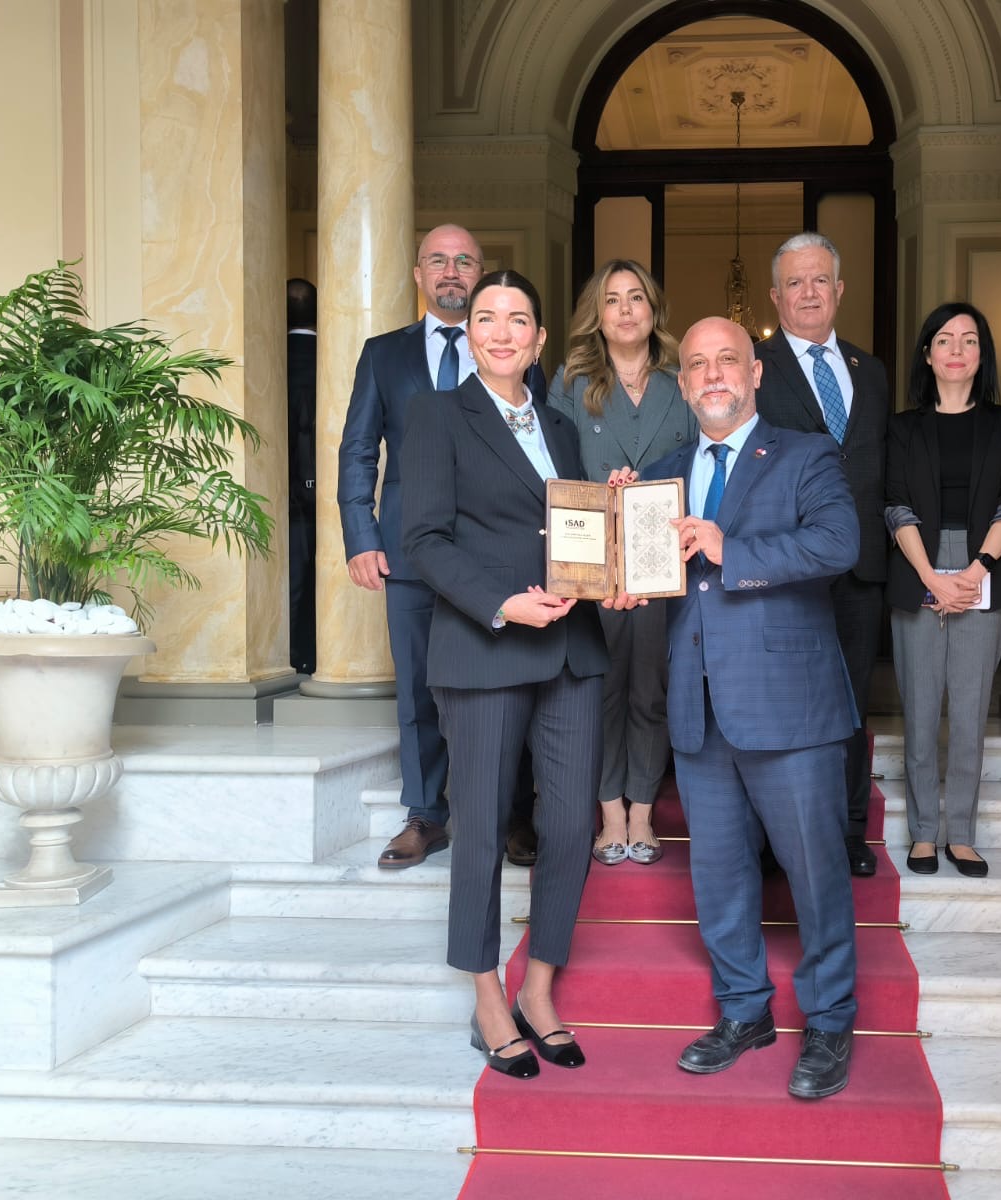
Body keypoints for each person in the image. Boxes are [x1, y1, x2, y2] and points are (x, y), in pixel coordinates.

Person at [638, 316, 861, 1101]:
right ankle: (744, 1010)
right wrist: (618, 563)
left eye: (727, 359)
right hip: (698, 708)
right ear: (681, 383)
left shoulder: (806, 453)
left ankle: (830, 1021)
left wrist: (731, 549)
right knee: (719, 874)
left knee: (815, 873)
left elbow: (838, 544)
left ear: (755, 372)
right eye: (697, 364)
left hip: (790, 707)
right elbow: (651, 577)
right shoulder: (661, 474)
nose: (712, 375)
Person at [400, 270, 608, 1078]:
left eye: (518, 319)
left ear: (540, 338)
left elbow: (575, 532)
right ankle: (488, 998)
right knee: (482, 828)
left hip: (570, 649)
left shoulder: (560, 425)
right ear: (469, 332)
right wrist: (500, 603)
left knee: (571, 826)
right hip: (483, 648)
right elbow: (424, 538)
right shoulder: (436, 415)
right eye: (486, 318)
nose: (500, 331)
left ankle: (540, 988)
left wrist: (617, 538)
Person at [337, 225, 545, 871]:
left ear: (480, 273)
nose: (451, 271)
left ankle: (515, 812)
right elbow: (359, 447)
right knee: (418, 688)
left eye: (464, 261)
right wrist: (361, 535)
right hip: (407, 549)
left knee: (513, 679)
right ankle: (426, 814)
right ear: (418, 273)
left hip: (496, 553)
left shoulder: (515, 354)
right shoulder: (384, 354)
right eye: (438, 260)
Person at [548, 260, 695, 866]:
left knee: (651, 690)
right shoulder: (570, 381)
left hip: (664, 560)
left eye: (637, 297)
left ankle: (642, 811)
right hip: (594, 565)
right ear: (598, 314)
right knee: (601, 689)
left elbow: (701, 460)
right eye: (613, 300)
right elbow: (552, 467)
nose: (626, 309)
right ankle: (610, 812)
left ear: (653, 309)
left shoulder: (682, 379)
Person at [755, 232, 890, 878]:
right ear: (775, 295)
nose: (808, 293)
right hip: (787, 566)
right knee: (784, 703)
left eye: (819, 281)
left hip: (860, 567)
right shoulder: (754, 367)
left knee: (851, 704)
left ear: (838, 290)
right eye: (795, 283)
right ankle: (776, 839)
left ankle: (848, 830)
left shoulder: (872, 371)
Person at [884, 301, 1001, 877]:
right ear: (928, 354)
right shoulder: (902, 427)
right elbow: (895, 504)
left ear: (981, 354)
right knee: (920, 707)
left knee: (970, 710)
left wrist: (975, 571)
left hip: (982, 567)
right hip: (917, 563)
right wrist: (930, 577)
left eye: (969, 340)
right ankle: (924, 833)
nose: (956, 350)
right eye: (944, 339)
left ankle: (962, 835)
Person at [286, 277, 317, 676]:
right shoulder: (333, 358)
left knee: (292, 576)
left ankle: (293, 656)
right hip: (327, 485)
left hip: (280, 489)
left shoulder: (268, 358)